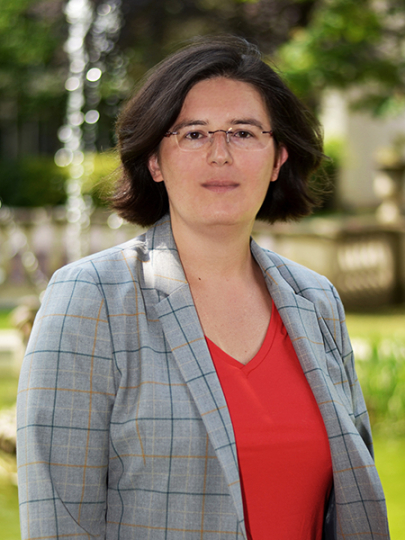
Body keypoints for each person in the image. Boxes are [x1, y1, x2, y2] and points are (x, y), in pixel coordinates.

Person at [17, 36, 389, 540]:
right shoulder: (91, 297)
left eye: (243, 132)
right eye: (193, 134)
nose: (220, 154)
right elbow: (59, 522)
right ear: (155, 161)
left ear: (278, 157)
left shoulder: (316, 300)